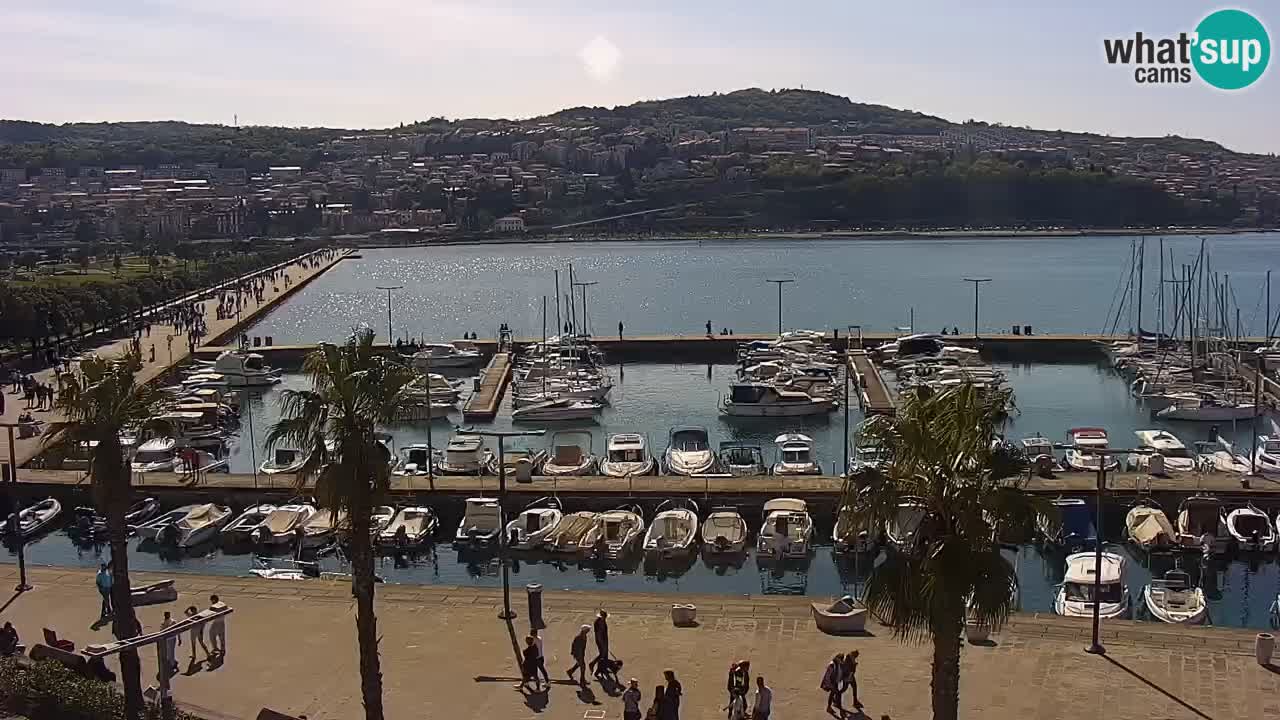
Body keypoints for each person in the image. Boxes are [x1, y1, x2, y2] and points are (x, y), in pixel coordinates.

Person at [590, 609, 610, 677]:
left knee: (604, 655)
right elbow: (598, 635)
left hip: (604, 640)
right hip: (601, 641)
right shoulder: (598, 622)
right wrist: (603, 644)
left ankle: (604, 668)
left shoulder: (602, 621)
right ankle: (593, 663)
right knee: (602, 654)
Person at [160, 611, 180, 676]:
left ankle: (173, 664)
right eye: (166, 615)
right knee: (169, 652)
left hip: (172, 639)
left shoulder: (173, 622)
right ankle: (173, 662)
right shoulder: (163, 623)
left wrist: (179, 638)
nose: (166, 616)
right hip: (166, 639)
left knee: (171, 652)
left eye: (167, 615)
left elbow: (178, 630)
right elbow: (161, 631)